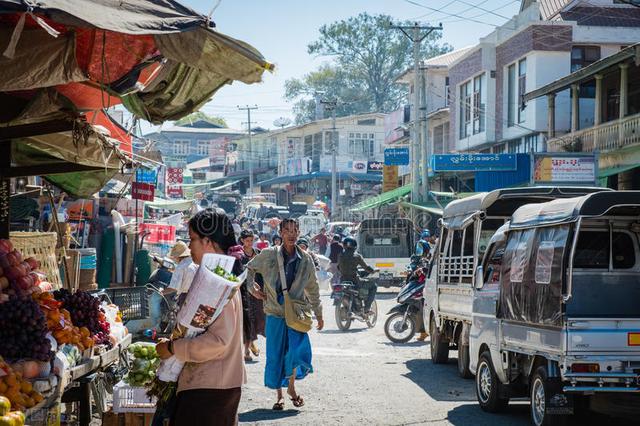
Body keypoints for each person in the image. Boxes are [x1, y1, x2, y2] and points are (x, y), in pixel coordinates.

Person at [155, 209, 245, 426]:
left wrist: (173, 348)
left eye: (192, 239)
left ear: (208, 241)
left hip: (211, 387)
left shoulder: (220, 283)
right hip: (211, 384)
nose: (189, 246)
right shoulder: (217, 277)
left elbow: (217, 342)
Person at [245, 218, 323, 410]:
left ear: (298, 232)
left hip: (296, 314)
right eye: (287, 230)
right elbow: (250, 267)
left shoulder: (306, 259)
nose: (291, 234)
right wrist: (251, 286)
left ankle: (291, 387)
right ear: (280, 233)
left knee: (296, 352)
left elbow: (313, 288)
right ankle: (279, 395)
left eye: (295, 230)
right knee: (276, 355)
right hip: (274, 313)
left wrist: (319, 313)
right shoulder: (269, 254)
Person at [238, 230, 265, 362]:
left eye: (251, 240)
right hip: (243, 292)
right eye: (247, 240)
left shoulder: (258, 254)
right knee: (247, 320)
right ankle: (246, 350)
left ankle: (251, 342)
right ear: (242, 240)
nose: (250, 242)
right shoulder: (238, 255)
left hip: (258, 293)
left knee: (258, 319)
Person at [337, 237, 376, 314]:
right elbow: (366, 267)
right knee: (373, 286)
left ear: (344, 245)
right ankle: (367, 308)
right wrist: (373, 271)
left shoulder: (340, 255)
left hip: (343, 280)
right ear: (355, 246)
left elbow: (339, 267)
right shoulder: (357, 256)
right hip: (355, 281)